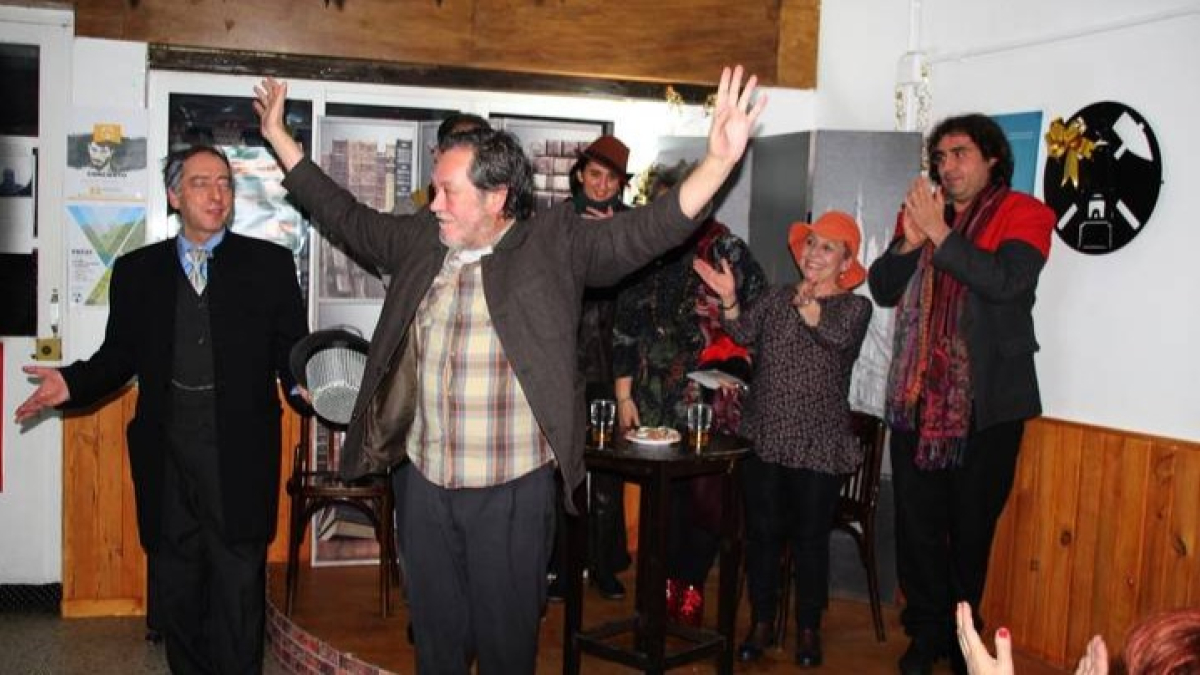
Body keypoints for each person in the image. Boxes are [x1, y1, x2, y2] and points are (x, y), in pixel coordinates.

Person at [253, 65, 766, 674]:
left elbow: (644, 232)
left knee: (504, 651)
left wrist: (716, 164)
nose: (432, 202)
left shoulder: (553, 244)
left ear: (495, 197)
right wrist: (281, 138)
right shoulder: (424, 240)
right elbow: (346, 216)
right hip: (424, 487)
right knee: (437, 649)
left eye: (447, 191)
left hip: (511, 494)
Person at [15, 144, 309, 675]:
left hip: (239, 453)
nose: (216, 194)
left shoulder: (268, 265)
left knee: (239, 590)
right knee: (178, 588)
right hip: (167, 452)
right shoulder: (137, 272)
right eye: (201, 183)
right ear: (174, 195)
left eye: (224, 183)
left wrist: (303, 385)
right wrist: (70, 384)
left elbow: (292, 351)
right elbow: (117, 357)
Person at [867, 114, 1055, 675]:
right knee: (918, 528)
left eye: (959, 154)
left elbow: (1006, 282)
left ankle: (964, 641)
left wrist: (941, 235)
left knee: (970, 532)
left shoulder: (1026, 213)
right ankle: (925, 635)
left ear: (993, 157)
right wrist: (910, 238)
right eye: (940, 158)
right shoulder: (926, 216)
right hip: (917, 401)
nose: (947, 167)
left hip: (987, 408)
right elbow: (882, 286)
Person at [695, 210, 872, 666]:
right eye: (811, 244)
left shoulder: (855, 307)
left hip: (818, 441)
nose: (815, 254)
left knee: (811, 538)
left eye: (827, 247)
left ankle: (808, 629)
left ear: (845, 260)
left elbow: (838, 340)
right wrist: (731, 299)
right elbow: (739, 331)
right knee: (763, 534)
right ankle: (761, 621)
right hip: (765, 435)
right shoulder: (776, 297)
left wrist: (813, 313)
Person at [612, 159, 767, 627]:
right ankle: (659, 586)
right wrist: (623, 396)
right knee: (663, 502)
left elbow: (757, 321)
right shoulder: (644, 250)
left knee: (704, 502)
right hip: (654, 400)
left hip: (710, 405)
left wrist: (727, 302)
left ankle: (691, 584)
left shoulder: (729, 250)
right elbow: (625, 328)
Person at [548, 133, 635, 602]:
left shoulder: (631, 225)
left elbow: (639, 294)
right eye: (595, 175)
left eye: (612, 179)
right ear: (581, 173)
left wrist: (612, 239)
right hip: (561, 360)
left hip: (612, 364)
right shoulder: (559, 220)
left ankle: (604, 564)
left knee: (608, 474)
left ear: (621, 184)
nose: (602, 186)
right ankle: (563, 568)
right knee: (563, 471)